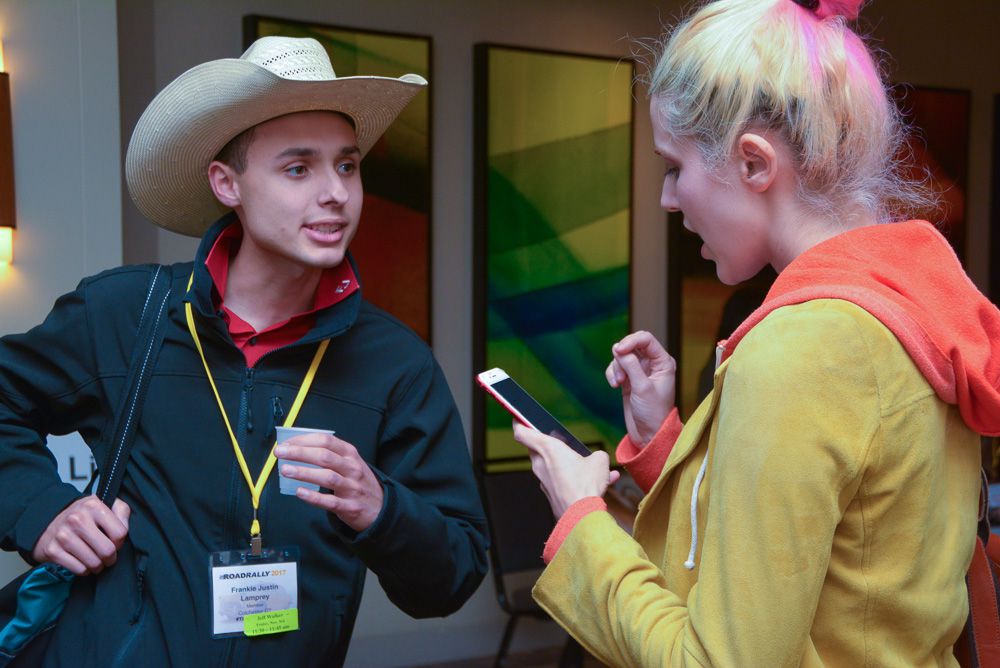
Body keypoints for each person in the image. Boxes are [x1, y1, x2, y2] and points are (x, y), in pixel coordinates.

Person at [511, 0, 1000, 665]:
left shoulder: (799, 353)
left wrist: (581, 520)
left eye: (675, 167)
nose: (668, 199)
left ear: (753, 163)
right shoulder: (913, 309)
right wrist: (667, 445)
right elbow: (844, 552)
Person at [0, 36, 487, 666]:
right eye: (297, 168)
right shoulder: (126, 314)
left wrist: (381, 508)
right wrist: (42, 511)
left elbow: (453, 576)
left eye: (347, 164)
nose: (336, 193)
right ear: (227, 183)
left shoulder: (395, 363)